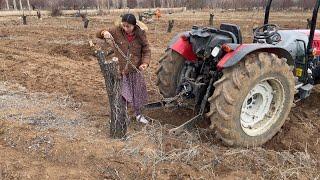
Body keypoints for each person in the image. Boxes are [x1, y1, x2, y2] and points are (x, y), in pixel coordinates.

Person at [96, 13, 151, 124]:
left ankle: (139, 115)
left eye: (128, 26)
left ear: (134, 26)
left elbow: (146, 50)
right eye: (124, 25)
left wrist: (145, 63)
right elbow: (98, 33)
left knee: (138, 93)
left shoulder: (140, 34)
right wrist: (104, 32)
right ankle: (122, 115)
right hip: (121, 70)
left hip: (135, 69)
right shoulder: (116, 31)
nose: (125, 28)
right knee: (122, 94)